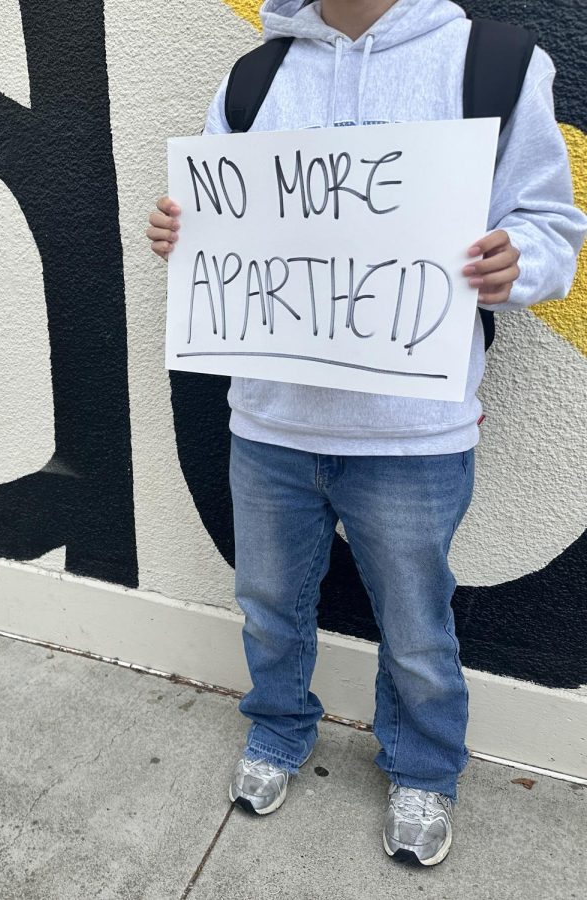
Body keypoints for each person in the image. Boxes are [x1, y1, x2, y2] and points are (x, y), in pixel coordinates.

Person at [145, 0, 586, 868]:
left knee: (418, 627)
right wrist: (183, 235)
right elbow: (225, 224)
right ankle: (276, 731)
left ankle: (424, 767)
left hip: (414, 436)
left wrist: (518, 261)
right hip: (268, 421)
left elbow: (553, 233)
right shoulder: (255, 77)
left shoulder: (492, 64)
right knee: (267, 606)